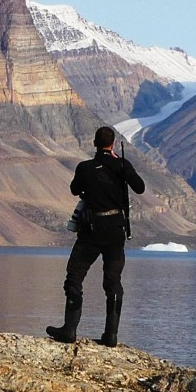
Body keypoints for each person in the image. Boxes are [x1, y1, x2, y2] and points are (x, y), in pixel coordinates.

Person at [47, 126, 145, 347]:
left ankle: (69, 330)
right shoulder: (122, 165)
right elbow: (140, 188)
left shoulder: (85, 167)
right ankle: (111, 336)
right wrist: (122, 168)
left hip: (91, 231)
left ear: (94, 143)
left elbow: (74, 189)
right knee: (112, 281)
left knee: (75, 276)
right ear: (112, 145)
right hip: (116, 231)